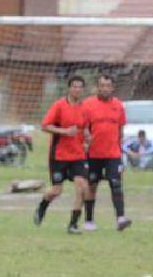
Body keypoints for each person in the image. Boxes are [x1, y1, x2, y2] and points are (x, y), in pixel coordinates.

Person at [34, 76, 90, 234]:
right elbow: (45, 126)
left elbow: (84, 128)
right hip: (59, 155)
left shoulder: (85, 108)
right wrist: (64, 131)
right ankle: (42, 206)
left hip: (78, 155)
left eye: (80, 87)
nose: (77, 90)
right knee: (56, 191)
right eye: (74, 87)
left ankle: (73, 224)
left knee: (82, 187)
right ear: (69, 88)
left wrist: (87, 136)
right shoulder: (59, 105)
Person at [82, 74, 131, 231]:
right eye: (102, 85)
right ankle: (89, 220)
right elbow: (82, 127)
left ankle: (120, 218)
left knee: (116, 184)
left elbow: (121, 128)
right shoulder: (88, 104)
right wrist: (85, 140)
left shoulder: (118, 105)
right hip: (93, 154)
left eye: (108, 85)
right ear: (97, 87)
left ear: (112, 87)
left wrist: (119, 147)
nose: (105, 88)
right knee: (92, 185)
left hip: (113, 154)